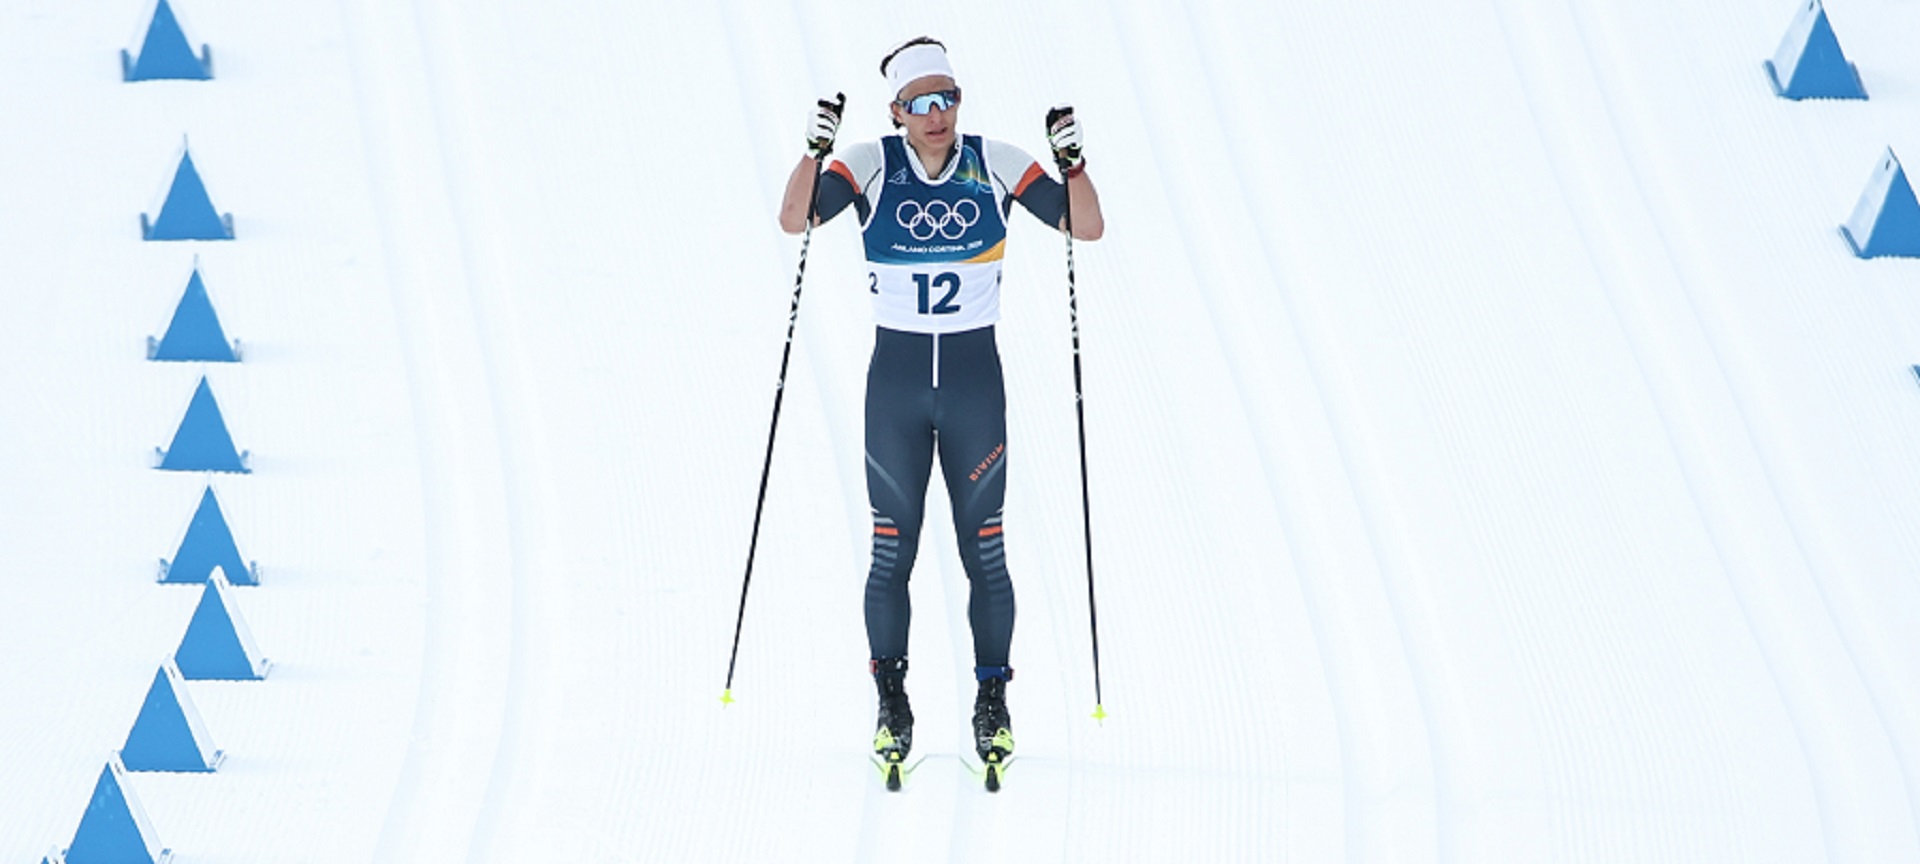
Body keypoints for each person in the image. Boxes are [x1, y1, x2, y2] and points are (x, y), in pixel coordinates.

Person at [777, 36, 1104, 785]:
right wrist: (813, 152)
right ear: (896, 111)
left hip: (972, 386)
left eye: (946, 98)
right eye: (920, 102)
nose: (936, 115)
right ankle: (891, 704)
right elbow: (796, 219)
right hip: (895, 388)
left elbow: (1084, 227)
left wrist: (1073, 165)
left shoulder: (996, 162)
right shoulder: (869, 163)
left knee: (984, 549)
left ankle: (993, 701)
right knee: (891, 551)